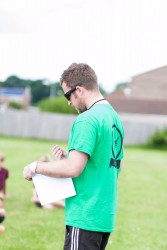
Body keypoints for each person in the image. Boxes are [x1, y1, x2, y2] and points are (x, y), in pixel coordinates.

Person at [23, 63, 124, 250]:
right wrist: (67, 158)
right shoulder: (113, 118)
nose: (68, 102)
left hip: (85, 215)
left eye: (67, 95)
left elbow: (73, 168)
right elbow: (105, 164)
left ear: (78, 90)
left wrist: (35, 167)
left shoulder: (87, 119)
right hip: (103, 216)